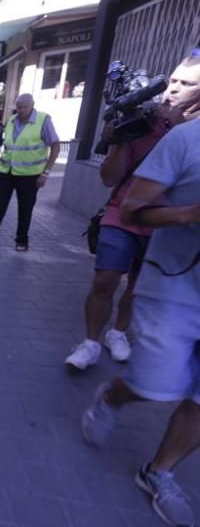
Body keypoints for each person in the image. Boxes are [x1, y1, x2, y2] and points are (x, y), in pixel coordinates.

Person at [81, 115, 200, 527]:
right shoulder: (187, 137)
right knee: (153, 383)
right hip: (178, 283)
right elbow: (131, 206)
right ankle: (112, 397)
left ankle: (158, 471)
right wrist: (191, 214)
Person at [64, 104, 179, 370]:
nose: (174, 90)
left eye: (186, 84)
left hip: (165, 219)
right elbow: (108, 178)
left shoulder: (187, 130)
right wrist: (124, 140)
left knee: (139, 285)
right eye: (173, 82)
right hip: (122, 215)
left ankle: (117, 332)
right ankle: (90, 344)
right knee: (105, 279)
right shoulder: (139, 121)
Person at [0, 93, 60, 252]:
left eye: (24, 107)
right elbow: (3, 145)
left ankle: (22, 240)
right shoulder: (12, 120)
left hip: (30, 175)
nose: (20, 110)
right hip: (6, 172)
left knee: (25, 208)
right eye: (18, 107)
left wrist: (45, 173)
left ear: (32, 105)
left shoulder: (43, 120)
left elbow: (55, 146)